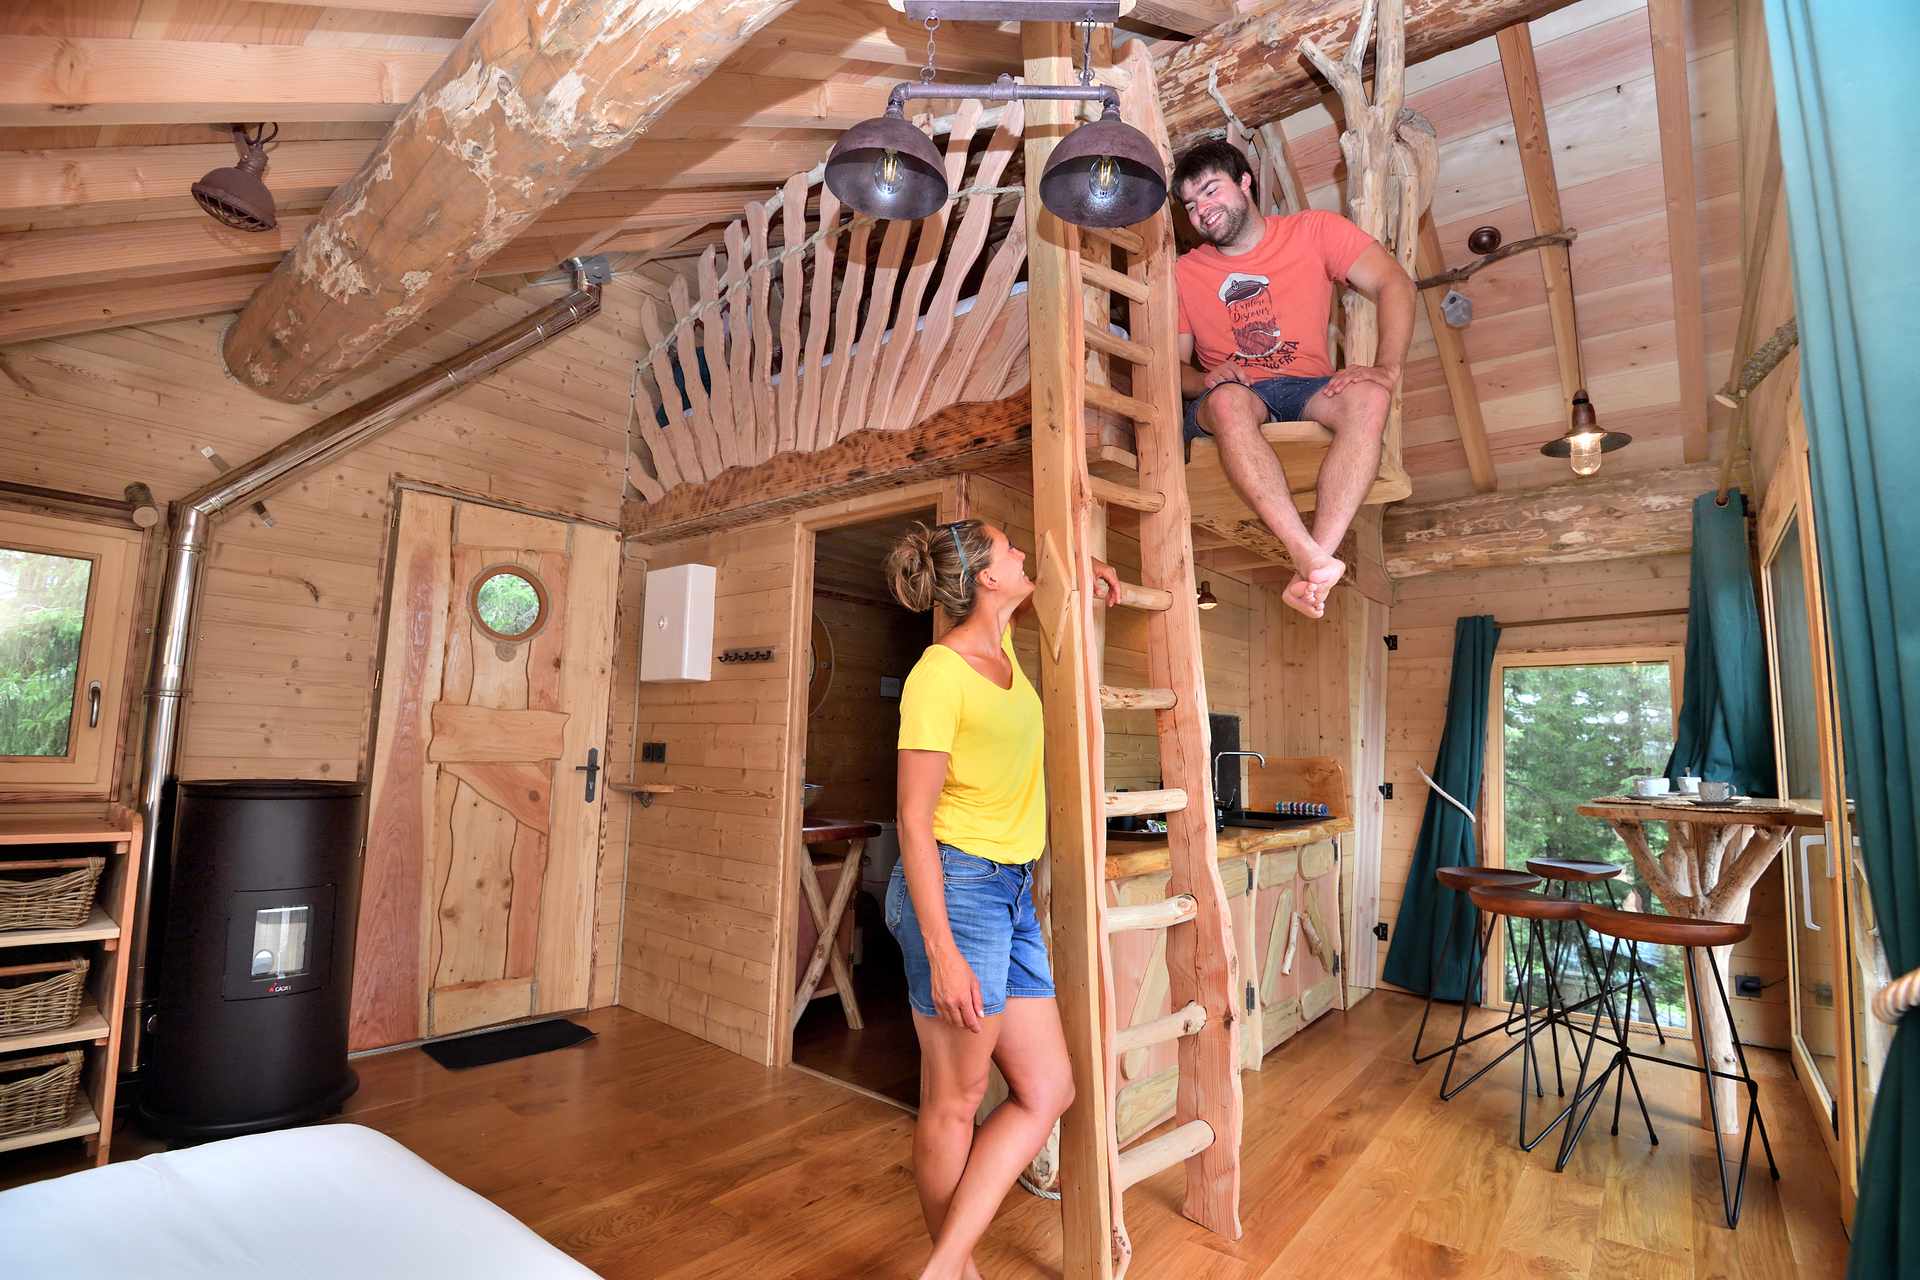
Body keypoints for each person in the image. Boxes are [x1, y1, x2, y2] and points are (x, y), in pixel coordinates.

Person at [881, 519, 1120, 1280]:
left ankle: (943, 1266)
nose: (1022, 553)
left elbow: (1048, 573)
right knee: (957, 1098)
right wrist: (945, 954)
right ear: (986, 577)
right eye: (1010, 548)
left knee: (1049, 1087)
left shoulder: (1003, 646)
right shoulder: (938, 674)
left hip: (1009, 891)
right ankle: (953, 1270)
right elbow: (913, 820)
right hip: (955, 890)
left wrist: (1094, 566)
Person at [1171, 139, 1416, 620]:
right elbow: (1172, 371)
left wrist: (1387, 368)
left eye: (1211, 191)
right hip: (1230, 396)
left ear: (1245, 183)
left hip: (1306, 387)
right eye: (1191, 204)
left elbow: (1395, 283)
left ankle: (1313, 568)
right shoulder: (1184, 271)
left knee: (1369, 396)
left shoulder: (1314, 230)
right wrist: (1205, 379)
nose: (1202, 210)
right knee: (1228, 402)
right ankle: (1305, 553)